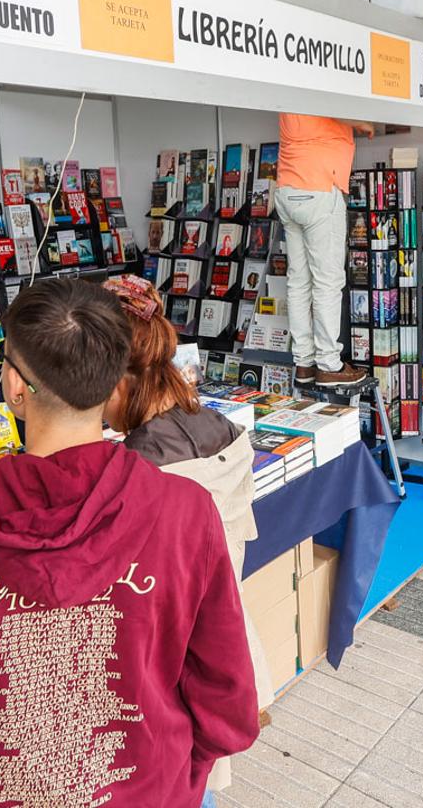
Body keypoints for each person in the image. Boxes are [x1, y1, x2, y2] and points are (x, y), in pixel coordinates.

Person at [0, 278, 258, 808]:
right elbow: (227, 699)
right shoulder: (184, 511)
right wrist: (177, 777)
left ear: (15, 386)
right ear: (114, 385)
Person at [101, 275, 271, 806]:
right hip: (218, 656)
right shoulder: (214, 424)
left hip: (162, 681)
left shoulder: (140, 472)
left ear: (117, 380)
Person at [274, 113, 375, 389]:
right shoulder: (316, 85)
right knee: (328, 281)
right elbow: (337, 108)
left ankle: (304, 363)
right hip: (318, 186)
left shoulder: (288, 89)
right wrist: (360, 122)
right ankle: (329, 364)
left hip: (287, 188)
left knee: (298, 281)